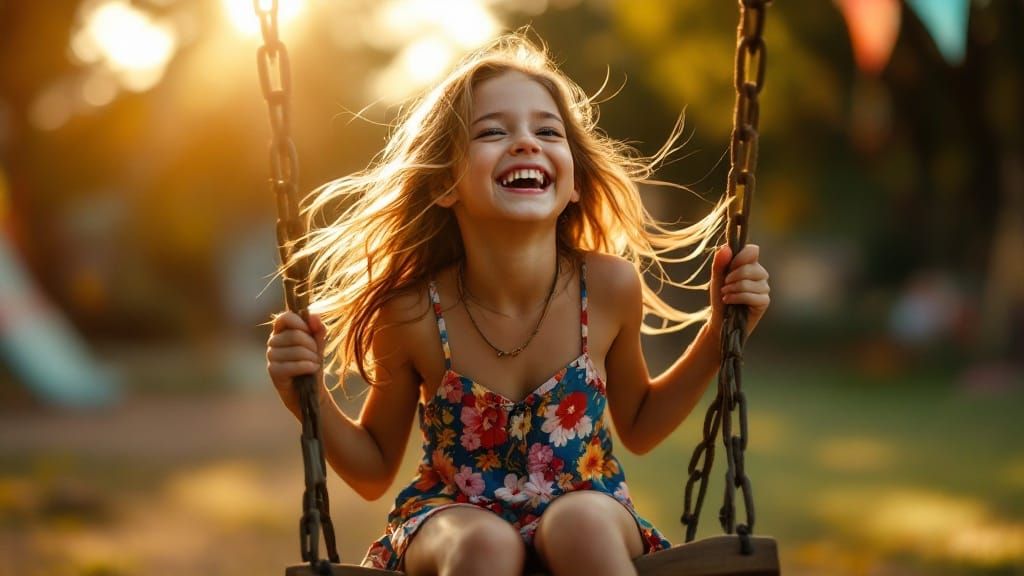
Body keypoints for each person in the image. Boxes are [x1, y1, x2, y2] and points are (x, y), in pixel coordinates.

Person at [266, 31, 770, 576]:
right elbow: (372, 469)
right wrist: (308, 394)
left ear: (573, 180)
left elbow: (641, 425)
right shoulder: (413, 312)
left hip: (587, 499)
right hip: (451, 511)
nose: (526, 142)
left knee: (578, 525)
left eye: (547, 131)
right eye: (492, 131)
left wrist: (720, 334)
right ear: (444, 183)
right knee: (484, 546)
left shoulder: (607, 288)